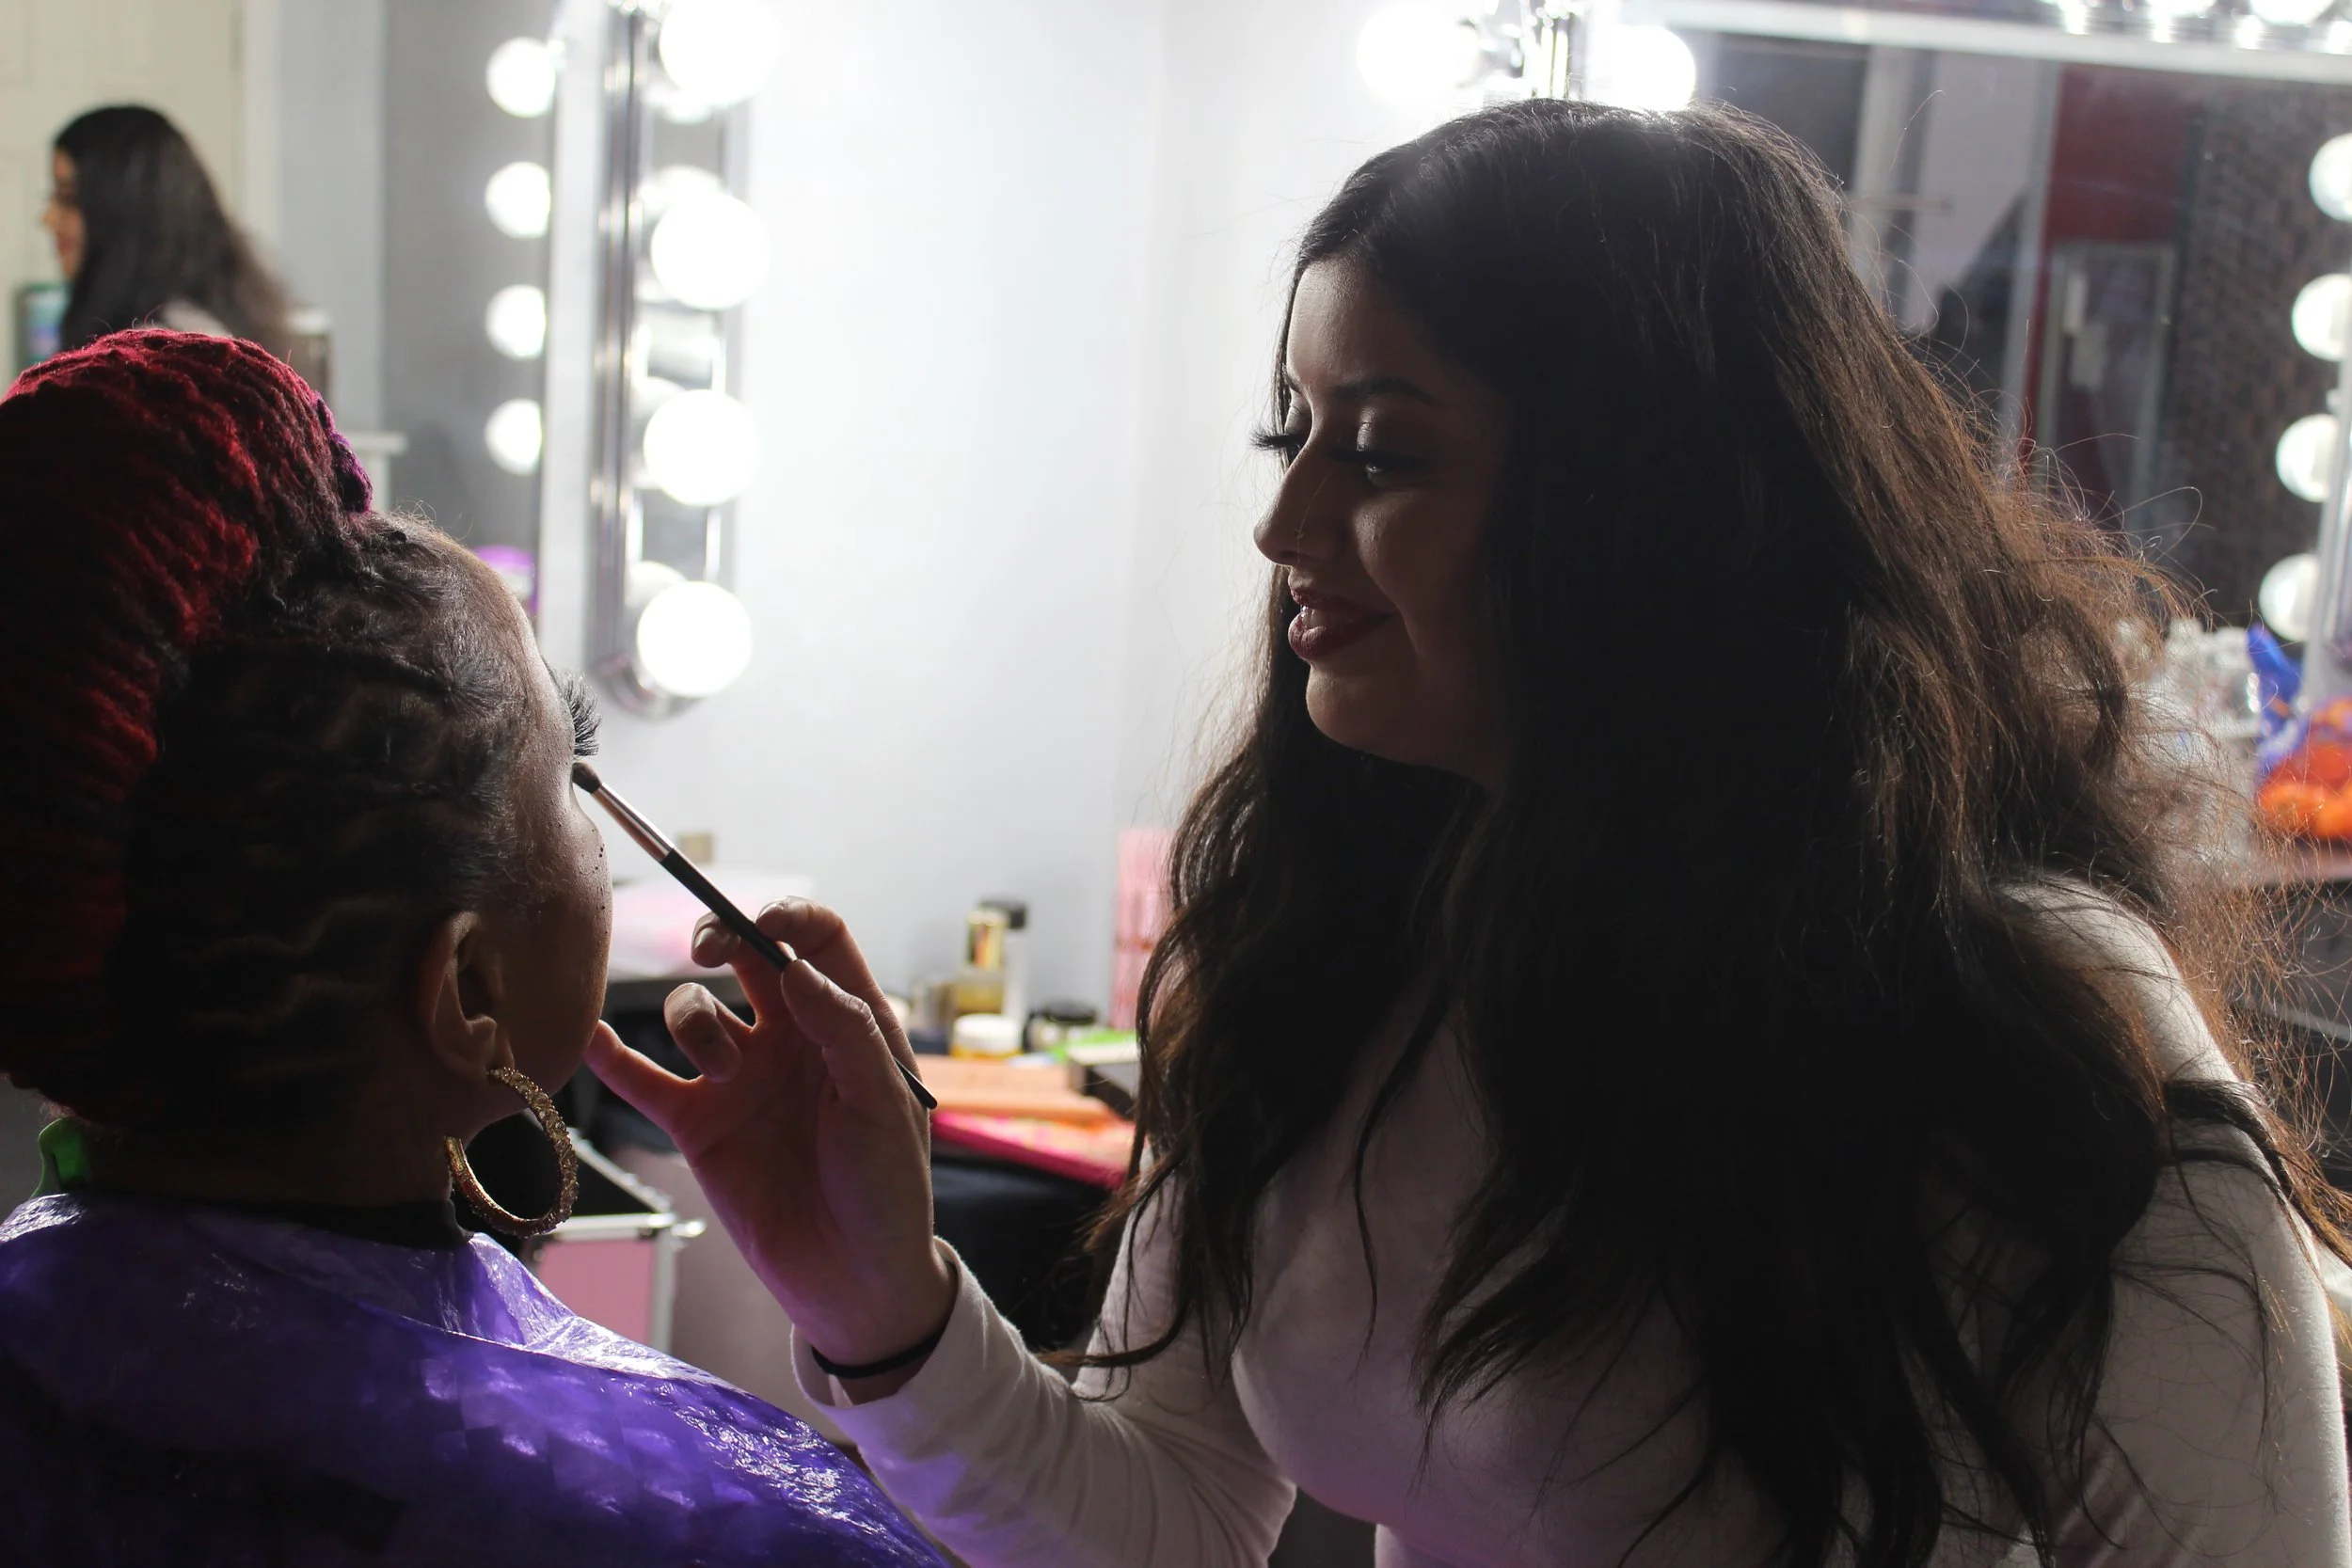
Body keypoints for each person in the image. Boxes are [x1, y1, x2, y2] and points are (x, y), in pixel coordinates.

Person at [592, 102, 2352, 1567]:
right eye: (1292, 431)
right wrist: (881, 1295)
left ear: (1642, 513)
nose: (1284, 519)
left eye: (1382, 452)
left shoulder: (2023, 1030)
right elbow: (1173, 1511)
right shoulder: (1320, 950)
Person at [0, 330, 945, 1566]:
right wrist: (902, 1325)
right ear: (471, 993)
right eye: (575, 772)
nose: (600, 819)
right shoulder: (717, 1534)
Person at [42, 105, 291, 354]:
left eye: (69, 199)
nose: (48, 219)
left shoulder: (163, 357)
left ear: (129, 212)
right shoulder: (198, 330)